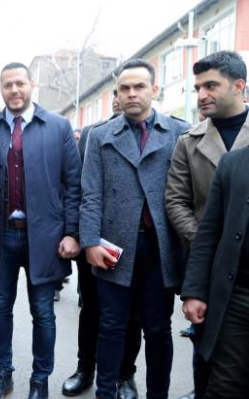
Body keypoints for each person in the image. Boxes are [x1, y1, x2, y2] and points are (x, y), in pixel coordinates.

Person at [80, 59, 190, 399]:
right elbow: (90, 192)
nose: (131, 94)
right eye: (124, 88)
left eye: (139, 86)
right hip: (114, 247)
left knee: (158, 329)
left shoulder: (180, 133)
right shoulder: (99, 136)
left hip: (161, 248)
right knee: (111, 326)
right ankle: (106, 393)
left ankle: (158, 393)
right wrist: (89, 242)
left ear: (154, 90)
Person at [0, 62, 81, 399]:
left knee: (43, 313)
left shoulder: (58, 127)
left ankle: (40, 382)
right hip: (1, 235)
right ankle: (3, 375)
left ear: (32, 85)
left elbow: (73, 184)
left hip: (46, 238)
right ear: (1, 89)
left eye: (20, 83)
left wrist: (72, 232)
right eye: (7, 85)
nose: (14, 90)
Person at [168, 50, 249, 399]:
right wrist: (209, 241)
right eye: (197, 87)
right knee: (212, 358)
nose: (201, 95)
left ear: (239, 85)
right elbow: (176, 200)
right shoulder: (188, 141)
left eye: (210, 85)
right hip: (211, 263)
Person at [62, 91, 143, 399]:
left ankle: (126, 375)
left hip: (133, 244)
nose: (124, 98)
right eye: (120, 92)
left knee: (131, 314)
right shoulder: (95, 134)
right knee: (92, 309)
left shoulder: (157, 133)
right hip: (95, 241)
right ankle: (85, 369)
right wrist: (84, 238)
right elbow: (82, 189)